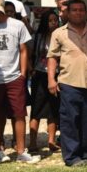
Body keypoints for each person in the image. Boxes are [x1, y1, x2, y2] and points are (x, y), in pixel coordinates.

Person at [48, 0, 87, 167]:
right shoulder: (59, 33)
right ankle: (72, 157)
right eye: (74, 10)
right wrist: (51, 79)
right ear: (68, 13)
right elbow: (52, 57)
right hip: (69, 82)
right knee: (69, 120)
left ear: (86, 12)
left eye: (81, 10)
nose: (78, 13)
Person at [0, 0, 33, 163]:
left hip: (14, 77)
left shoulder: (17, 25)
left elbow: (23, 49)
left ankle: (20, 151)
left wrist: (23, 73)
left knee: (19, 114)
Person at [27, 9, 59, 155]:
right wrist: (31, 69)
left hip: (57, 74)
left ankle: (51, 140)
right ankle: (32, 142)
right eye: (50, 20)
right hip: (39, 74)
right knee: (37, 108)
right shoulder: (38, 36)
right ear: (45, 22)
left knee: (53, 108)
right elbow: (28, 53)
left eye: (55, 20)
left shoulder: (61, 36)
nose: (53, 23)